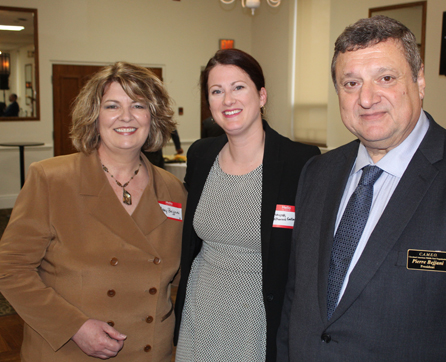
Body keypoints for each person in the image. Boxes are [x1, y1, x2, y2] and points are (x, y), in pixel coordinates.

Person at [277, 16, 446, 361]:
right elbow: (296, 299)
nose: (367, 98)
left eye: (386, 78)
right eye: (350, 83)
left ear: (420, 80)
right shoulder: (318, 172)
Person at [0, 62, 186, 361]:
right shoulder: (52, 179)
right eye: (112, 105)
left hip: (149, 350)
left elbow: (183, 272)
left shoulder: (174, 190)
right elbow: (9, 267)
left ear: (153, 117)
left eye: (138, 105)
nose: (126, 117)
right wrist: (75, 327)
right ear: (94, 116)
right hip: (70, 349)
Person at [174, 49, 320, 362]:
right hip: (201, 313)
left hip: (261, 318)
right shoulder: (200, 155)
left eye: (238, 87)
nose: (228, 100)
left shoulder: (300, 161)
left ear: (262, 95)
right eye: (217, 91)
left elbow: (310, 256)